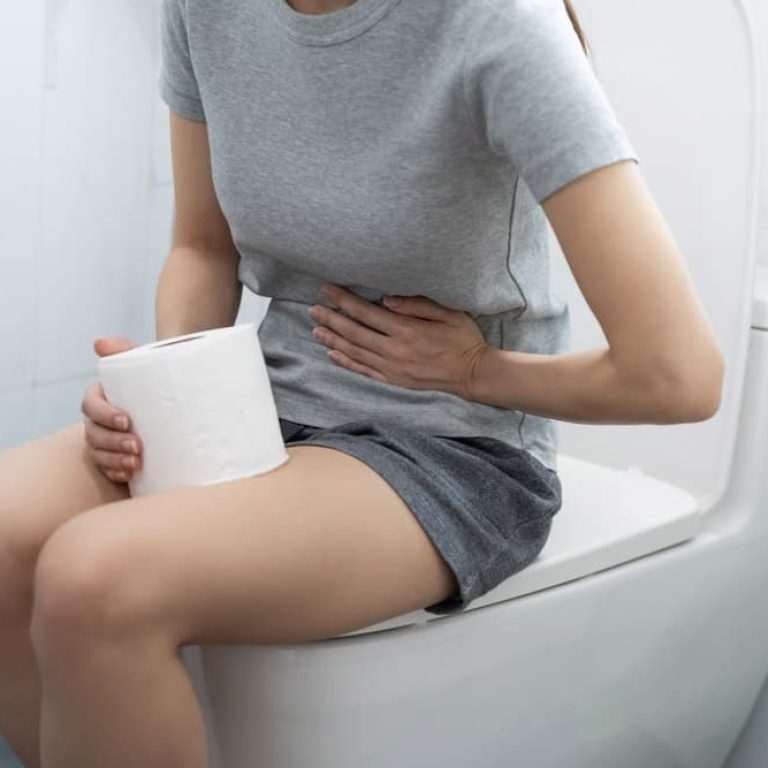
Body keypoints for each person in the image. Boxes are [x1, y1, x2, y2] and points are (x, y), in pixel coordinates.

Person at [0, 0, 724, 765]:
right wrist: (166, 394)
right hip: (264, 401)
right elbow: (203, 247)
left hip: (453, 446)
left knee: (95, 579)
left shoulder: (496, 23)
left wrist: (475, 370)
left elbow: (677, 374)